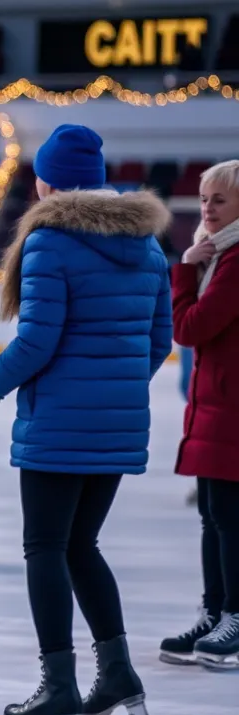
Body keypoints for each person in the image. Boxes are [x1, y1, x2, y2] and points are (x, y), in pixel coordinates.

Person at [0, 125, 172, 715]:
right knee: (81, 544)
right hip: (116, 424)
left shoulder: (49, 242)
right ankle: (118, 680)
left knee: (47, 548)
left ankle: (57, 691)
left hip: (58, 425)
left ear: (46, 182)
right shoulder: (149, 248)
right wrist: (111, 391)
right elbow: (158, 342)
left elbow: (36, 341)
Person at [163, 159, 239, 668]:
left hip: (231, 409)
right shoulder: (220, 254)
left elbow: (190, 329)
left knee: (229, 520)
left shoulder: (231, 262)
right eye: (205, 198)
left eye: (220, 200)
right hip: (215, 406)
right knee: (212, 518)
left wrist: (186, 268)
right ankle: (214, 613)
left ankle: (234, 615)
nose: (208, 208)